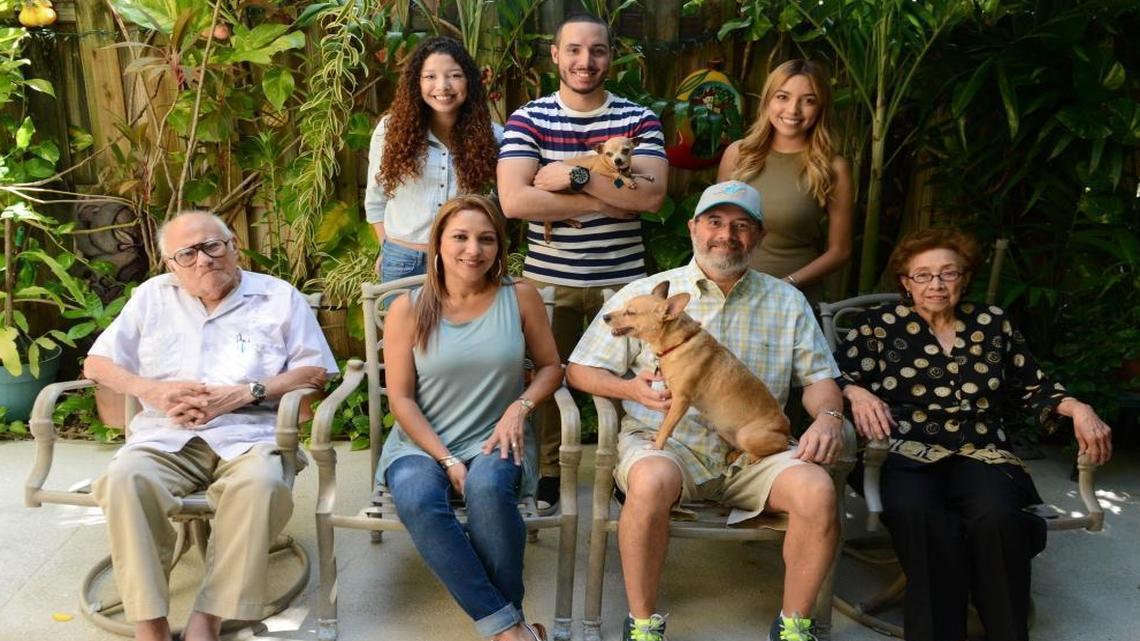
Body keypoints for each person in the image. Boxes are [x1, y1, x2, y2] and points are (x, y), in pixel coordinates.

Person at [567, 181, 844, 641]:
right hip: (672, 446)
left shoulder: (787, 301)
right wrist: (628, 389)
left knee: (817, 490)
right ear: (694, 227)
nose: (726, 235)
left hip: (754, 448)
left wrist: (829, 419)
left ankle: (795, 627)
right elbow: (579, 369)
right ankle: (643, 626)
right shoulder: (646, 295)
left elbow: (819, 380)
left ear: (759, 236)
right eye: (715, 221)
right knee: (650, 480)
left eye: (742, 225)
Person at [834, 227, 1114, 641]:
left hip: (982, 450)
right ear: (906, 282)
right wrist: (856, 392)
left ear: (964, 279)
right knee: (920, 516)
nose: (936, 284)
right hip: (903, 448)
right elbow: (829, 374)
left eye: (948, 273)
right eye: (923, 275)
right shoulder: (877, 325)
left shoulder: (992, 322)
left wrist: (1077, 407)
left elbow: (1033, 385)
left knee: (998, 517)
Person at [85, 211, 338, 641]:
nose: (203, 259)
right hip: (166, 436)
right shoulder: (151, 297)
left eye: (211, 246)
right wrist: (153, 390)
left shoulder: (278, 297)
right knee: (123, 479)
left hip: (251, 436)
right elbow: (97, 363)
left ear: (233, 246)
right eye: (187, 254)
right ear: (171, 265)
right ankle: (149, 624)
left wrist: (243, 393)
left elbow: (313, 372)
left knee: (261, 485)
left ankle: (209, 617)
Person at [498, 13, 669, 514]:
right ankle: (550, 473)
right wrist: (605, 199)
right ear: (555, 55)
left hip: (624, 284)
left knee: (632, 381)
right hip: (550, 281)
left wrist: (572, 178)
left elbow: (651, 197)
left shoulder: (639, 120)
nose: (585, 61)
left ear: (610, 57)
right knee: (547, 377)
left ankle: (623, 468)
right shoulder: (529, 118)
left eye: (597, 50)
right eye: (573, 49)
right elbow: (514, 201)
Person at [376, 195, 563, 641]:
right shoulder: (408, 308)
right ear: (438, 243)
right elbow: (401, 399)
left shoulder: (520, 297)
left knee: (489, 488)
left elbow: (552, 368)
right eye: (460, 237)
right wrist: (446, 460)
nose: (473, 250)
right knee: (417, 498)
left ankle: (506, 630)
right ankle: (512, 629)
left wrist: (520, 407)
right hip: (421, 443)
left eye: (486, 239)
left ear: (500, 247)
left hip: (497, 437)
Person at [364, 35, 502, 282]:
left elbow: (505, 200)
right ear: (415, 83)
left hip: (466, 262)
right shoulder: (390, 131)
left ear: (469, 81)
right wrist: (387, 248)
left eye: (454, 75)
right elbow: (376, 198)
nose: (443, 86)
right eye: (430, 77)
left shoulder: (494, 137)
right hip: (404, 262)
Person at [718, 59, 853, 304]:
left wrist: (785, 285)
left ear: (820, 108)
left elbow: (840, 251)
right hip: (730, 291)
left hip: (793, 299)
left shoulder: (833, 167)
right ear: (768, 100)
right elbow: (713, 227)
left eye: (808, 100)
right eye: (783, 97)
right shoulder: (737, 154)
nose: (793, 110)